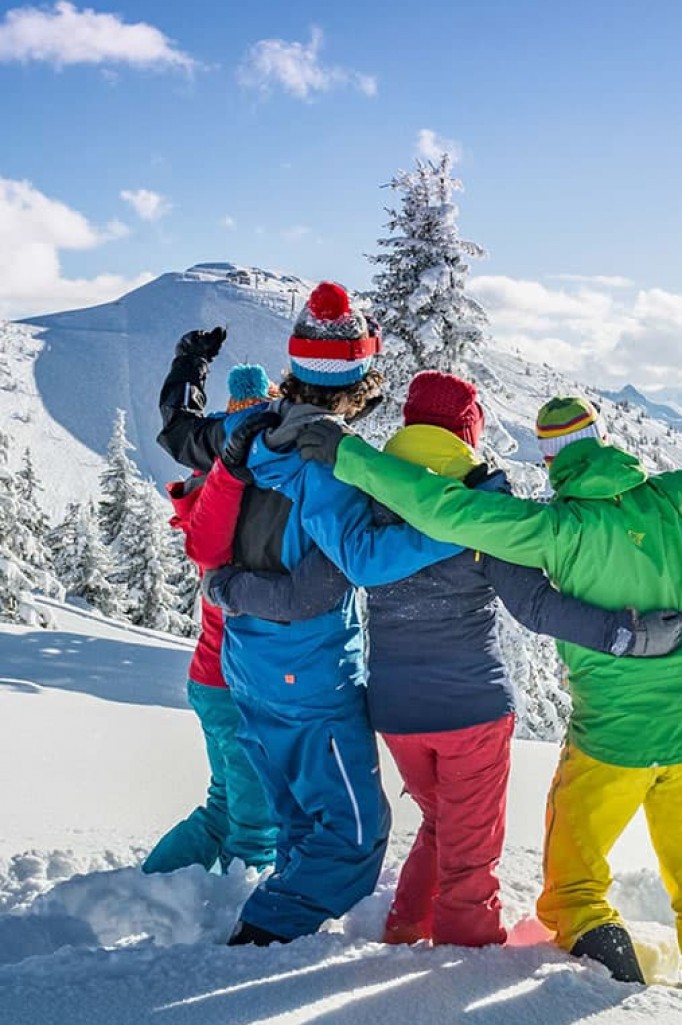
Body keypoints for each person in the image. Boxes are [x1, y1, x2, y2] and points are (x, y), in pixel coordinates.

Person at [293, 341, 682, 986]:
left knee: (572, 885)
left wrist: (348, 453)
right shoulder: (678, 500)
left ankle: (601, 951)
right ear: (604, 440)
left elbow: (442, 509)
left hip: (610, 740)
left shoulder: (550, 530)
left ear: (549, 459)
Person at [202, 368, 682, 948]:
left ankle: (405, 929)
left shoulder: (371, 493)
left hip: (396, 713)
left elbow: (327, 574)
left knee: (438, 823)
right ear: (467, 433)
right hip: (472, 710)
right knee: (470, 857)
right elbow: (535, 607)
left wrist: (229, 587)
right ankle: (468, 952)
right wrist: (623, 634)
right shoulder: (482, 509)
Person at [155, 281, 463, 946]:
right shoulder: (328, 459)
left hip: (246, 666)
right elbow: (363, 557)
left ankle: (274, 925)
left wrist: (189, 366)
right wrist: (459, 522)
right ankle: (266, 930)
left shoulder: (250, 427)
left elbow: (182, 435)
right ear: (355, 381)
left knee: (298, 815)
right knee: (355, 831)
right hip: (308, 671)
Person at [142, 365, 280, 876]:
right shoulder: (238, 506)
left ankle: (147, 890)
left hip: (212, 680)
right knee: (254, 825)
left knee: (222, 812)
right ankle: (242, 939)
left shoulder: (208, 493)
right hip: (234, 683)